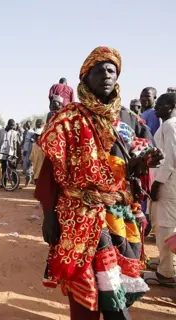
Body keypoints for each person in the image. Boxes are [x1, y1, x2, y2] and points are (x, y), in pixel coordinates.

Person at [36, 47, 163, 319]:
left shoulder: (130, 120)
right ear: (85, 76)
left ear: (118, 76)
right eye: (99, 70)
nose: (106, 74)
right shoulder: (68, 118)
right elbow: (49, 173)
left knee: (118, 289)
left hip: (119, 215)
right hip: (79, 213)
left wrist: (146, 162)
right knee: (87, 291)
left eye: (111, 70)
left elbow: (136, 162)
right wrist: (49, 216)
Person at [150, 93, 176, 287]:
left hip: (168, 184)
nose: (156, 108)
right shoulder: (167, 125)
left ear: (172, 105)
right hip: (168, 181)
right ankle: (164, 263)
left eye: (160, 104)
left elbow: (171, 159)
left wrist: (157, 183)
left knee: (165, 226)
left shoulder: (170, 125)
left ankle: (166, 272)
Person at [22, 119, 43, 186]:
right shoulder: (27, 132)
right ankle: (30, 178)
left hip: (32, 151)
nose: (37, 137)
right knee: (28, 166)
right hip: (29, 151)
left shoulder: (33, 132)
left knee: (32, 167)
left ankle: (29, 178)